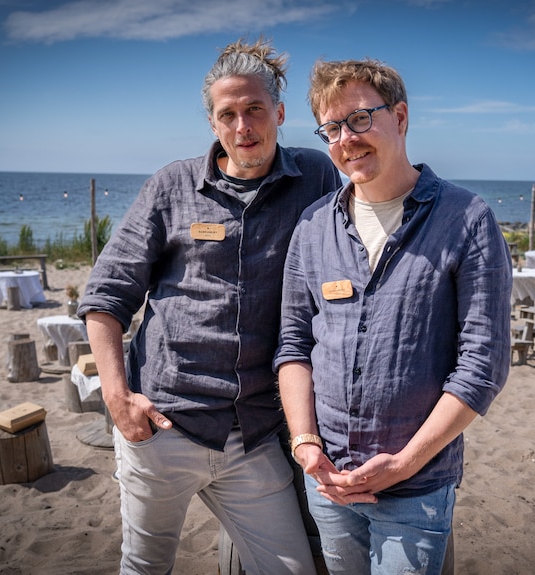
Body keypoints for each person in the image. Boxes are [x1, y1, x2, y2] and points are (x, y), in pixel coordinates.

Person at [77, 38, 341, 575]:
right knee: (145, 567)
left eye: (254, 110)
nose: (243, 126)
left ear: (279, 113)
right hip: (164, 427)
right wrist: (117, 398)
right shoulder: (172, 186)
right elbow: (106, 295)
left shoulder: (315, 178)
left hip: (257, 435)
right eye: (228, 114)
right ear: (212, 122)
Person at [275, 58, 512, 574]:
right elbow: (293, 345)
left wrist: (405, 463)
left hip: (418, 485)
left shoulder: (468, 220)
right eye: (332, 128)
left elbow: (483, 365)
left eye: (360, 119)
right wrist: (305, 441)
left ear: (400, 118)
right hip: (330, 479)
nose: (346, 139)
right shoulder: (314, 227)